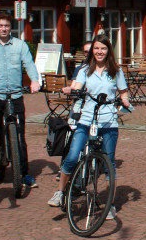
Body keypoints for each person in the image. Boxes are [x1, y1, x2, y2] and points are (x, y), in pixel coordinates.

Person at [48, 35, 131, 220]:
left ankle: (109, 203)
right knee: (72, 156)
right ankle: (60, 192)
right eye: (96, 48)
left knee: (109, 163)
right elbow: (77, 86)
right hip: (86, 120)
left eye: (103, 48)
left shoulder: (115, 71)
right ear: (92, 51)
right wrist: (71, 89)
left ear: (108, 50)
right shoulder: (85, 69)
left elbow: (123, 91)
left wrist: (124, 101)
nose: (99, 52)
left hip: (108, 121)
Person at [0, 12, 41, 191]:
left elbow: (29, 64)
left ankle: (24, 173)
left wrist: (35, 81)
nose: (4, 29)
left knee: (20, 136)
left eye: (6, 26)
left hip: (15, 95)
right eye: (0, 26)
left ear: (10, 27)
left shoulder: (20, 45)